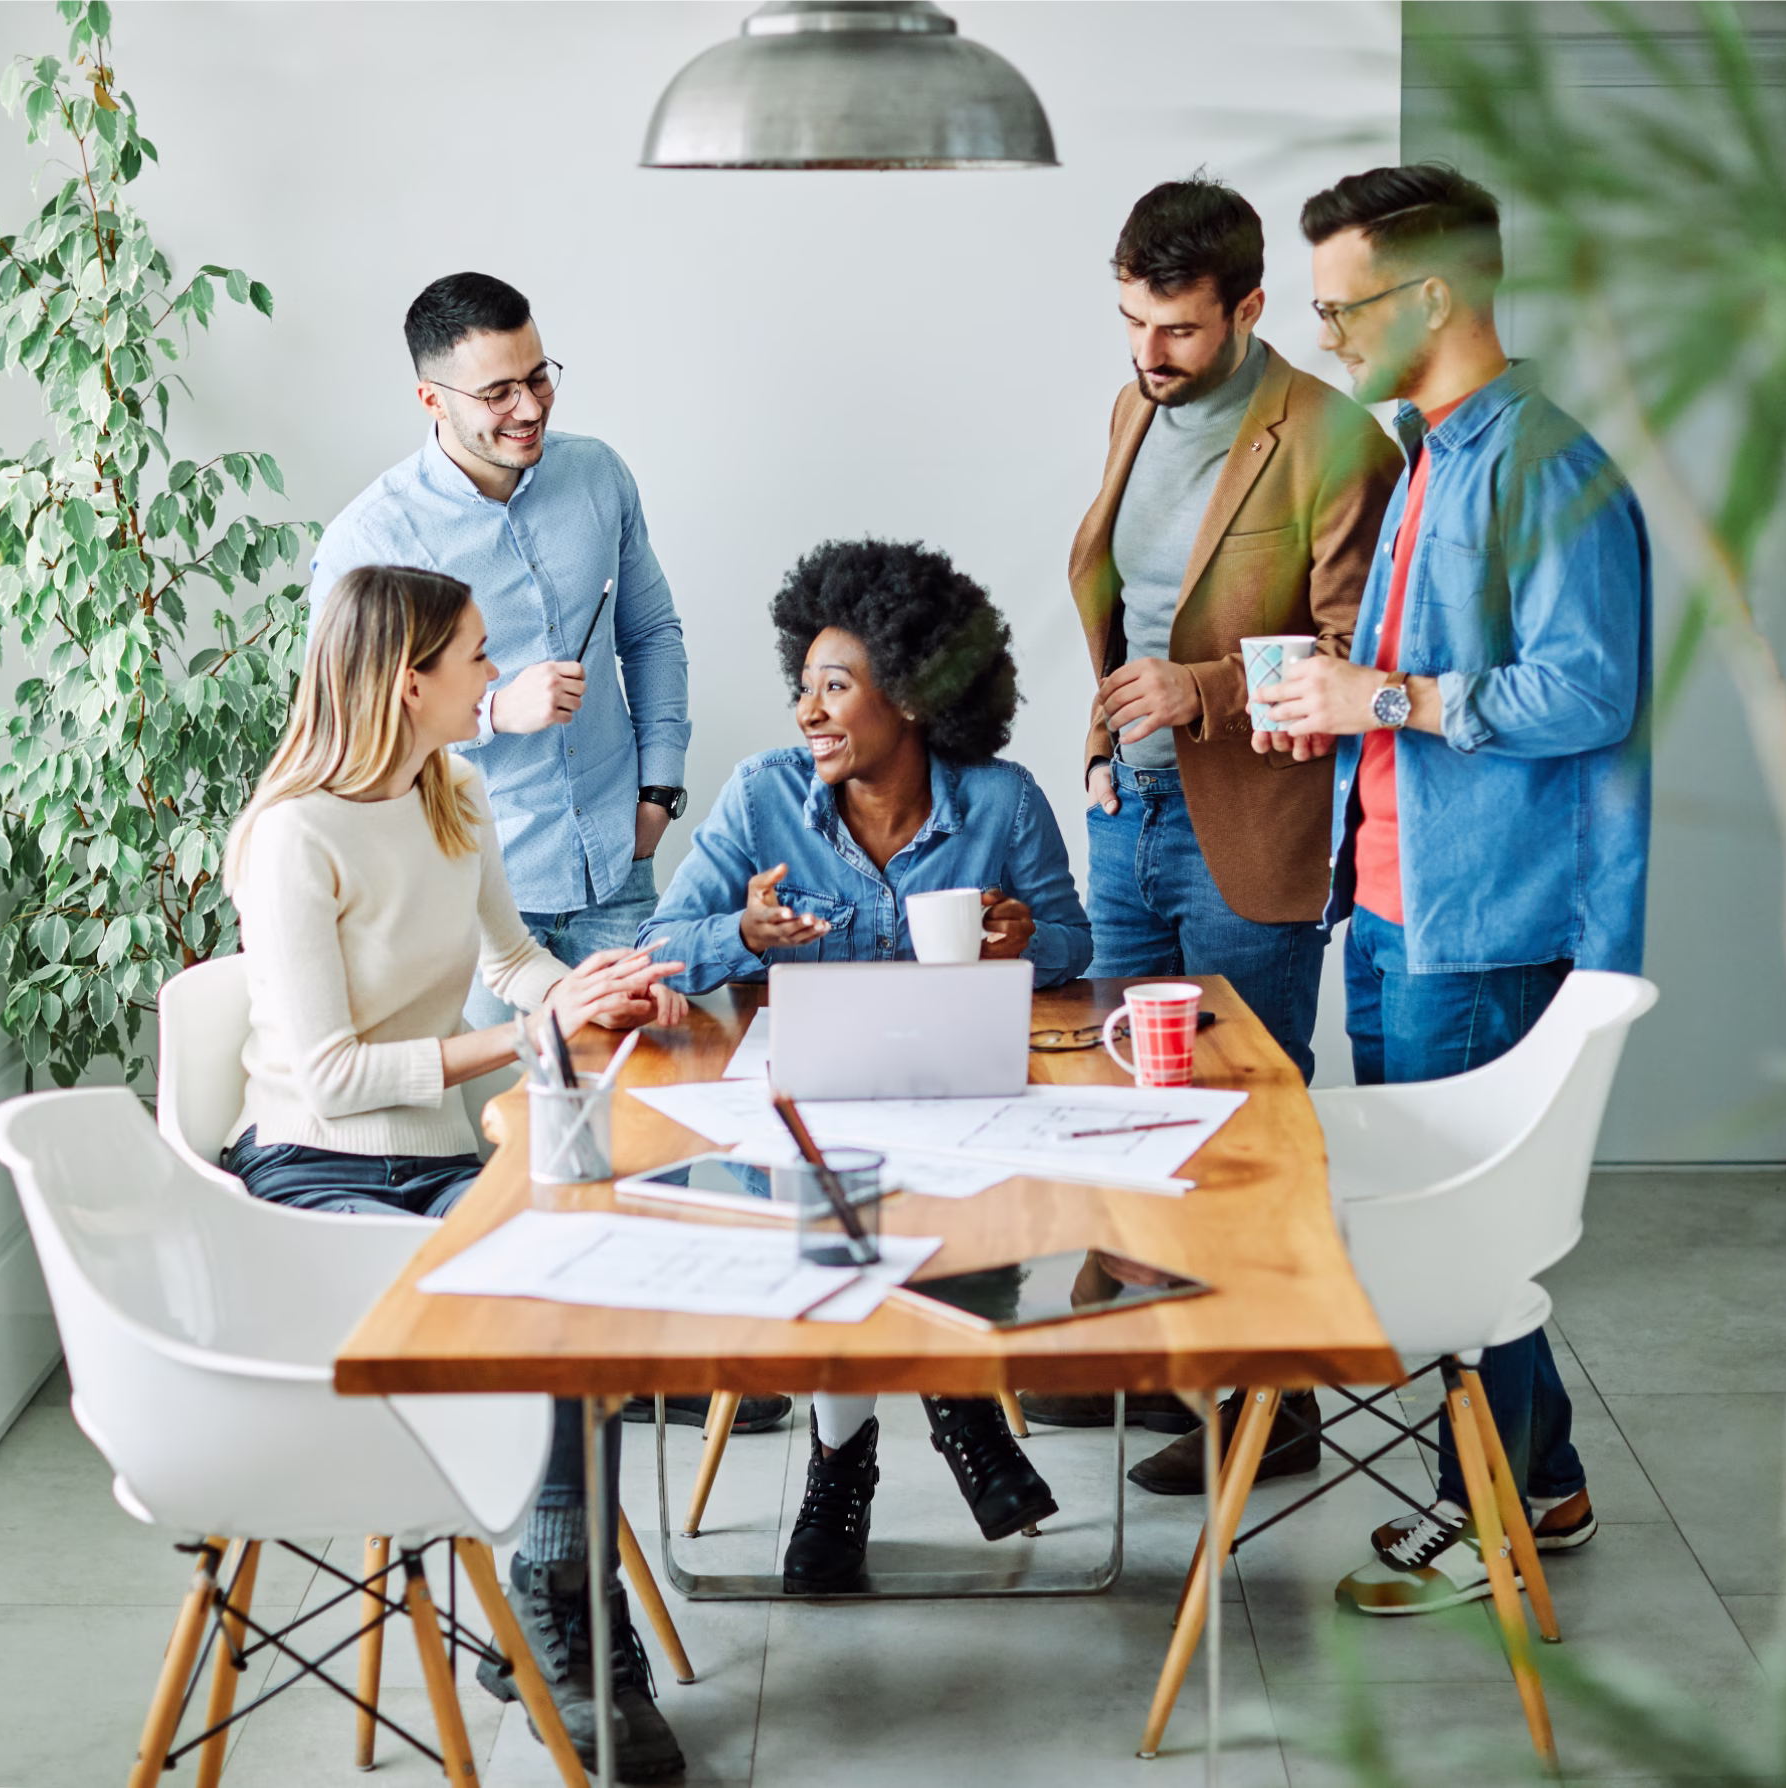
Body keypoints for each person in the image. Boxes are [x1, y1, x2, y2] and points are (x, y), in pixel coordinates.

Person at [221, 564, 693, 1779]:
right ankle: (575, 1633)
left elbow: (519, 957)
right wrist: (526, 1034)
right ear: (409, 680)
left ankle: (554, 1605)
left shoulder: (458, 794)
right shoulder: (293, 837)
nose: (497, 677)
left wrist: (594, 991)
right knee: (547, 1290)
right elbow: (328, 1078)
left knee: (584, 1280)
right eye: (477, 658)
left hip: (428, 1159)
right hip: (311, 1177)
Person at [1264, 164, 1651, 1615]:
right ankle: (1533, 1487)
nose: (1324, 339)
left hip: (1481, 920)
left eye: (1340, 307)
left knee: (1463, 1237)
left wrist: (1395, 694)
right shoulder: (1427, 452)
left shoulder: (1545, 463)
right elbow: (1412, 696)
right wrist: (1349, 707)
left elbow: (1588, 687)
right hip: (1388, 903)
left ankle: (1485, 1507)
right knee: (1441, 1222)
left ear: (1433, 296)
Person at [1036, 176, 1399, 1497]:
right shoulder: (1135, 404)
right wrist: (1106, 738)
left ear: (1248, 308)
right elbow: (1128, 597)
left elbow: (1361, 651)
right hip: (1128, 807)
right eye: (1131, 321)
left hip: (1249, 825)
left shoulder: (1334, 439)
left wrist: (1206, 692)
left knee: (1244, 1114)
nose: (1147, 353)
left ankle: (1274, 1400)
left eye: (1178, 329)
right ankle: (1147, 1350)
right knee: (1130, 1101)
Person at [642, 538, 1091, 1594]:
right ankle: (938, 1420)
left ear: (918, 694)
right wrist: (742, 935)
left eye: (836, 687)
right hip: (811, 1126)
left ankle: (851, 1460)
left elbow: (1074, 947)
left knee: (914, 1198)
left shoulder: (1004, 803)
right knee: (837, 1198)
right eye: (804, 687)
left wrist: (1026, 933)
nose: (809, 712)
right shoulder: (761, 801)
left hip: (958, 1112)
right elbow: (662, 946)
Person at [308, 270, 694, 1027]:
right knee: (511, 1128)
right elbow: (351, 726)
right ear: (433, 399)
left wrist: (657, 794)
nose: (529, 408)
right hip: (473, 899)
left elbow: (651, 635)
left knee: (649, 1118)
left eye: (538, 377)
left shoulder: (598, 476)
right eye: (497, 394)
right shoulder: (369, 540)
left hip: (619, 872)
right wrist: (492, 711)